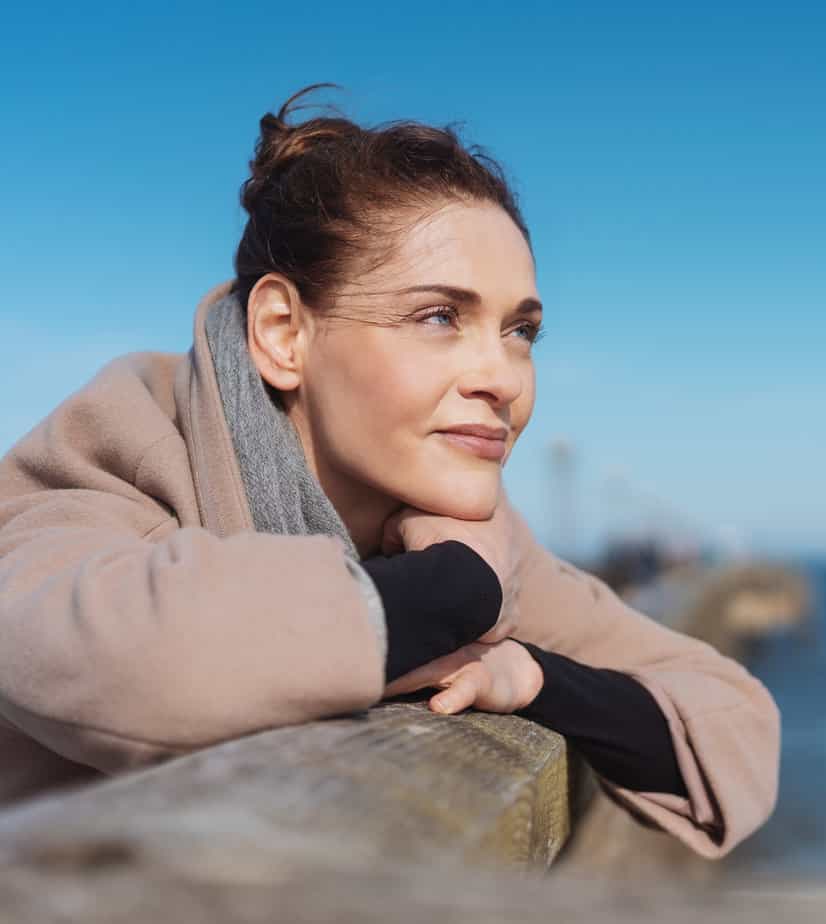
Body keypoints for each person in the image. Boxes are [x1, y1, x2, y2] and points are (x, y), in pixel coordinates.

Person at [0, 86, 779, 859]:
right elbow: (106, 654)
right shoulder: (118, 446)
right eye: (439, 316)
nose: (502, 378)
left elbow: (731, 721)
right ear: (282, 334)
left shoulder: (459, 528)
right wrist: (456, 591)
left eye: (520, 331)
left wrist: (537, 679)